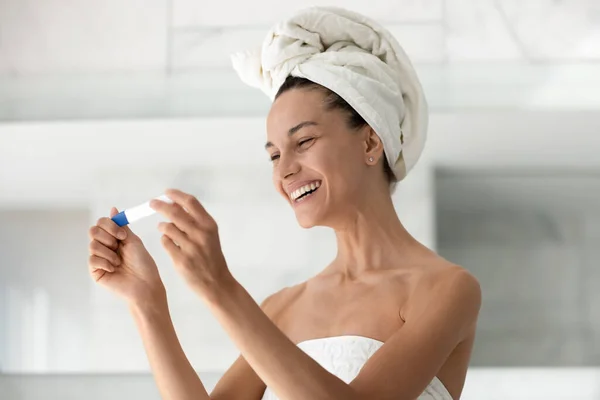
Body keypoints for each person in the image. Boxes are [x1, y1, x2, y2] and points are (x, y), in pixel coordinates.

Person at [87, 6, 481, 400]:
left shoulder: (445, 289)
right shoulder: (283, 307)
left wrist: (219, 286)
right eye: (274, 155)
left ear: (370, 142)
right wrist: (147, 303)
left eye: (304, 142)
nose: (285, 172)